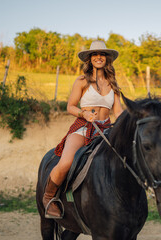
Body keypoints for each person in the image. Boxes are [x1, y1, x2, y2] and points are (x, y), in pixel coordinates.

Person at [43, 40, 124, 219]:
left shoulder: (113, 83)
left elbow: (118, 112)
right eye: (95, 54)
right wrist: (83, 114)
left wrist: (124, 124)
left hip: (106, 129)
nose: (99, 57)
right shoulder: (81, 81)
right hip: (83, 127)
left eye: (102, 54)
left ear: (107, 59)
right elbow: (70, 106)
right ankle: (49, 198)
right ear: (89, 59)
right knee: (65, 163)